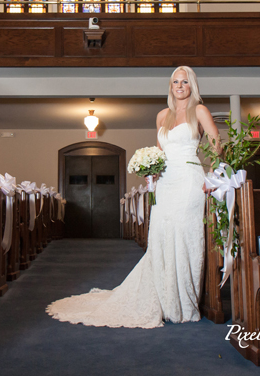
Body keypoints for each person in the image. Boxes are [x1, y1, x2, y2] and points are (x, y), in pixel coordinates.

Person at [46, 66, 220, 328]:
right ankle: (163, 297)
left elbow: (217, 144)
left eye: (185, 82)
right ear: (170, 86)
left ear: (192, 85)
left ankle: (185, 300)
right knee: (160, 235)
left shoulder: (200, 111)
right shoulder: (162, 115)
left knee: (184, 233)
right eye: (175, 82)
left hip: (189, 180)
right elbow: (161, 153)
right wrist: (152, 172)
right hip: (166, 183)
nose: (180, 86)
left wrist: (214, 177)